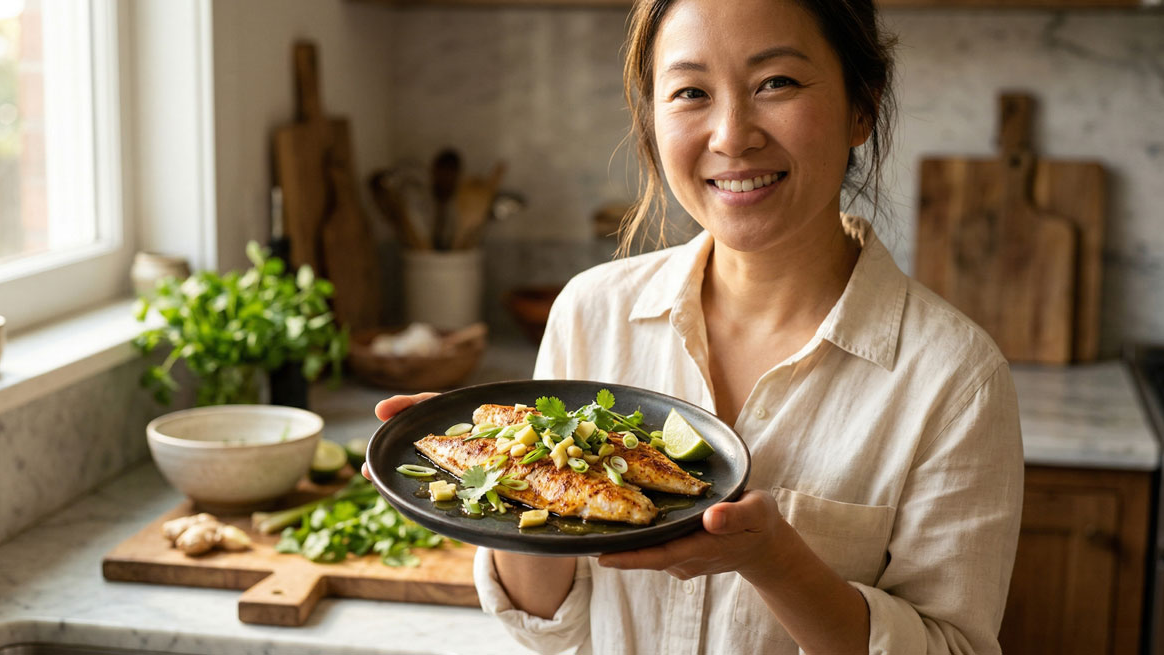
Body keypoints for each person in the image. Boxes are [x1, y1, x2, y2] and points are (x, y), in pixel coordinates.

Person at [364, 0, 1023, 652]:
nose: (732, 135)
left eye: (776, 83)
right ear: (651, 119)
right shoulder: (591, 312)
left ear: (862, 106)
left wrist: (776, 562)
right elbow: (551, 624)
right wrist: (508, 473)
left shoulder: (955, 378)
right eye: (690, 92)